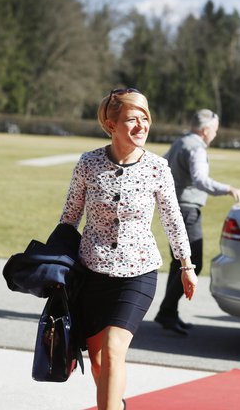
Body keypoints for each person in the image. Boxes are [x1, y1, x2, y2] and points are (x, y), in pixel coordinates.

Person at [60, 88, 197, 410]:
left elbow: (173, 220)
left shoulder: (157, 168)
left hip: (138, 273)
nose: (141, 126)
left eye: (145, 119)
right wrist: (51, 264)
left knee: (112, 350)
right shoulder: (88, 163)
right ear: (110, 125)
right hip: (91, 275)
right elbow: (69, 218)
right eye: (132, 120)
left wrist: (186, 265)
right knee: (97, 362)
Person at [154, 109, 240, 335]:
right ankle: (167, 311)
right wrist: (229, 189)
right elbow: (200, 180)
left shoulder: (180, 142)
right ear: (205, 129)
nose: (215, 134)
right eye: (214, 129)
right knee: (192, 263)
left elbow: (162, 165)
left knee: (180, 263)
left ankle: (168, 312)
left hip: (176, 208)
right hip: (187, 211)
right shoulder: (195, 147)